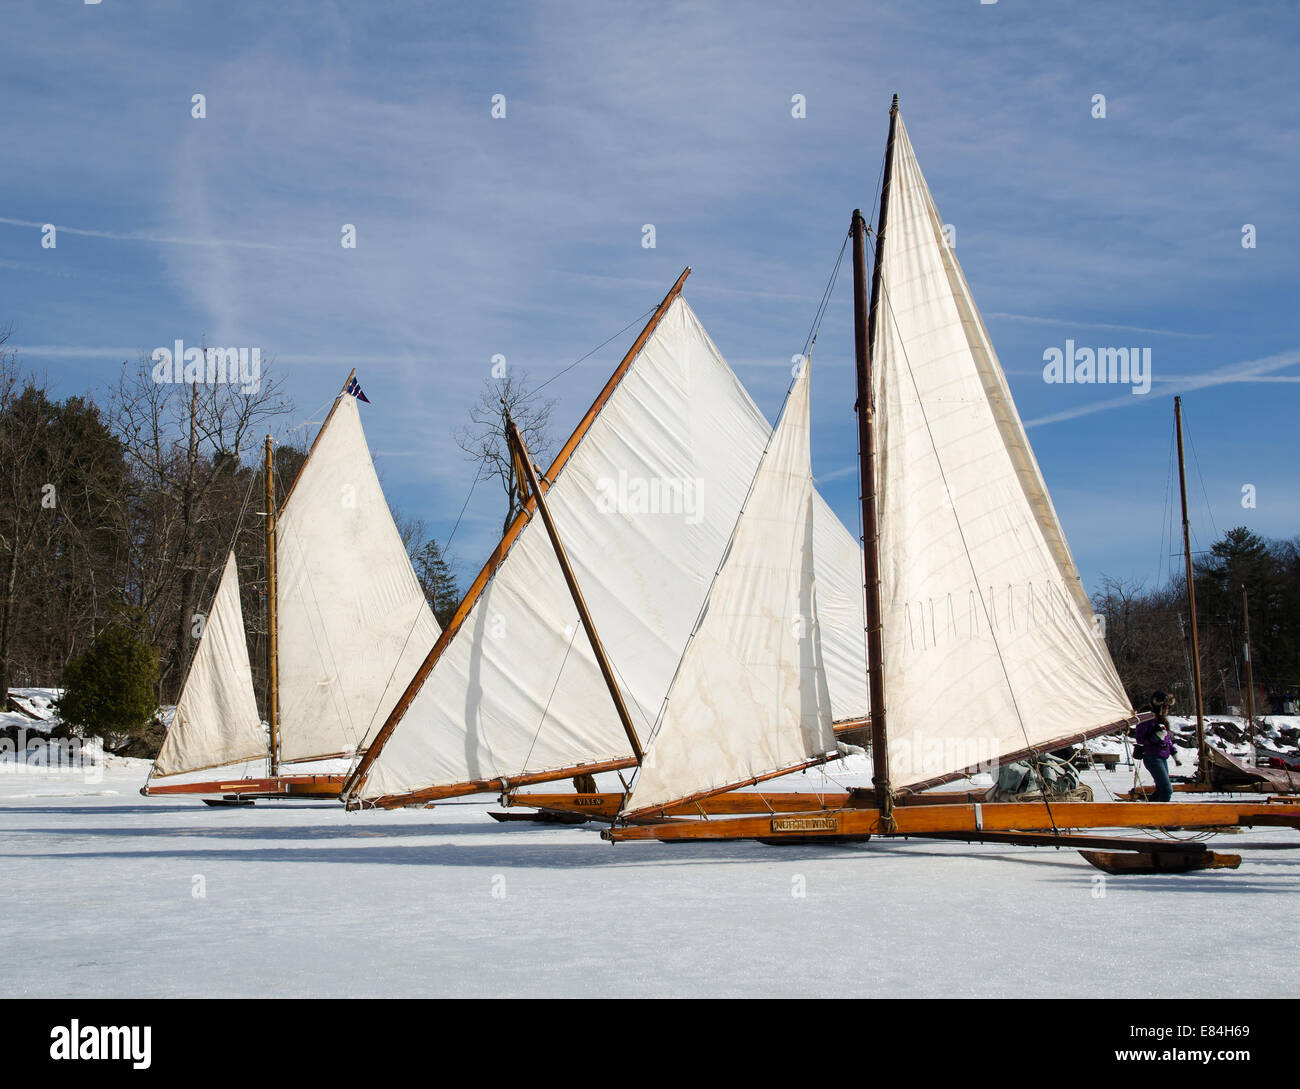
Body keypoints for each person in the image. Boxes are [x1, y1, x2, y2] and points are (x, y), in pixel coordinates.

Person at [1135, 690, 1179, 801]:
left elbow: (1167, 741)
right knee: (1166, 790)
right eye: (1164, 707)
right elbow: (1140, 739)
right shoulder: (1147, 720)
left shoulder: (1162, 721)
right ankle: (1162, 815)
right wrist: (1155, 737)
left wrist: (1175, 754)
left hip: (1162, 757)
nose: (1166, 710)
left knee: (1160, 790)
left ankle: (1149, 810)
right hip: (1152, 757)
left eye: (1168, 707)